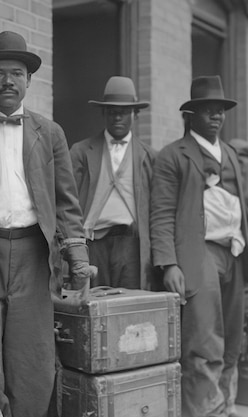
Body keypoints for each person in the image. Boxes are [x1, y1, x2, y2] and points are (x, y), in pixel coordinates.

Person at [0, 31, 95, 417]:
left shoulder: (50, 132)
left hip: (32, 253)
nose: (8, 80)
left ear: (29, 80)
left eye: (17, 73)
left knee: (32, 355)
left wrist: (76, 257)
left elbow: (66, 203)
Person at [149, 75, 248, 417]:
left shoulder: (233, 155)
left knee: (233, 336)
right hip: (198, 253)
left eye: (220, 110)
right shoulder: (172, 156)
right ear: (190, 116)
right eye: (207, 110)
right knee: (203, 341)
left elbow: (242, 207)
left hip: (234, 252)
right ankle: (204, 411)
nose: (216, 116)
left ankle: (226, 404)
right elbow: (161, 214)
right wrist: (169, 264)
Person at [69, 76, 155, 290]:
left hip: (131, 245)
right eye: (112, 111)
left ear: (135, 114)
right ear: (103, 113)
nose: (118, 116)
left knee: (130, 307)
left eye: (124, 111)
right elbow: (66, 201)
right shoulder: (81, 151)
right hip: (93, 244)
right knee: (94, 304)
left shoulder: (150, 157)